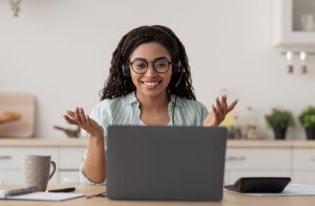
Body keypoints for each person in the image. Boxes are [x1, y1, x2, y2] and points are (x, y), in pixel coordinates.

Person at [64, 25, 238, 185]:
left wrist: (207, 132)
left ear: (174, 67)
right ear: (127, 69)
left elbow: (203, 181)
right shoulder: (106, 112)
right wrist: (96, 136)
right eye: (140, 65)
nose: (150, 73)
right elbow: (92, 185)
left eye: (161, 64)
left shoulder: (195, 112)